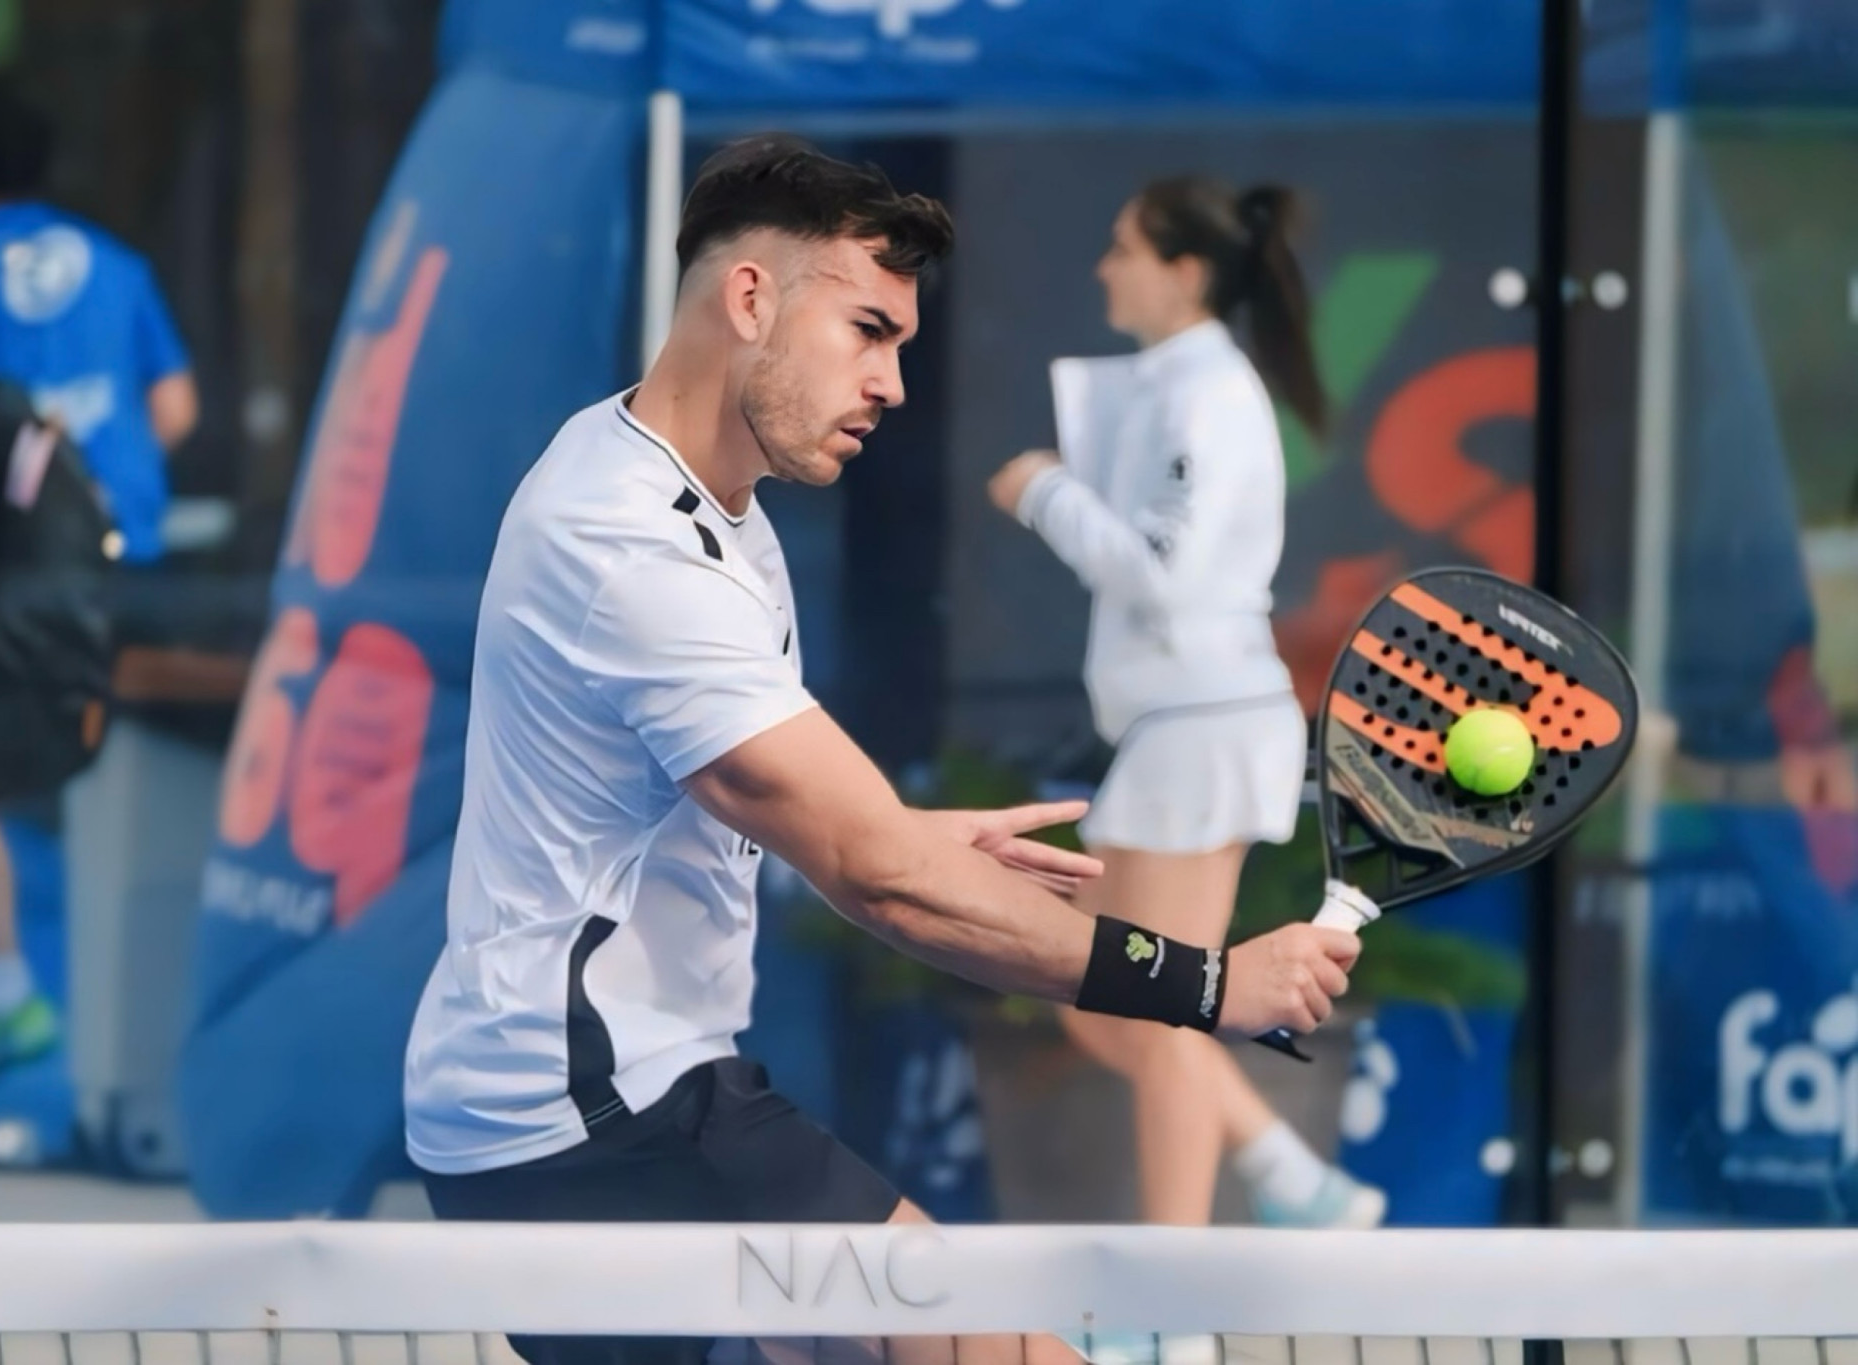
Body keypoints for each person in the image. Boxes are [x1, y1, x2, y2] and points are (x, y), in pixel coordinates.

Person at [403, 136, 1360, 1365]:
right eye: (866, 330)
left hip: (614, 1097)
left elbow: (774, 814)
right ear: (749, 298)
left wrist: (895, 836)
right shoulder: (626, 542)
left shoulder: (693, 499)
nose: (892, 384)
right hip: (591, 1119)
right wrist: (1210, 985)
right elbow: (877, 877)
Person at [987, 177, 1385, 1232]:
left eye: (1122, 248)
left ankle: (1178, 1284)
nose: (1102, 268)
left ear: (1185, 272)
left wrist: (1042, 492)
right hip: (1183, 727)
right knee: (1100, 1002)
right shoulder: (1185, 386)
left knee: (1157, 1009)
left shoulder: (1204, 392)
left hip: (1201, 728)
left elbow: (1159, 574)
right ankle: (1292, 1179)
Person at [0, 72, 198, 1095]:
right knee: (113, 769)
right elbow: (175, 410)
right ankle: (116, 1019)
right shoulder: (116, 265)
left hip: (21, 570)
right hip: (129, 558)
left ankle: (6, 993)